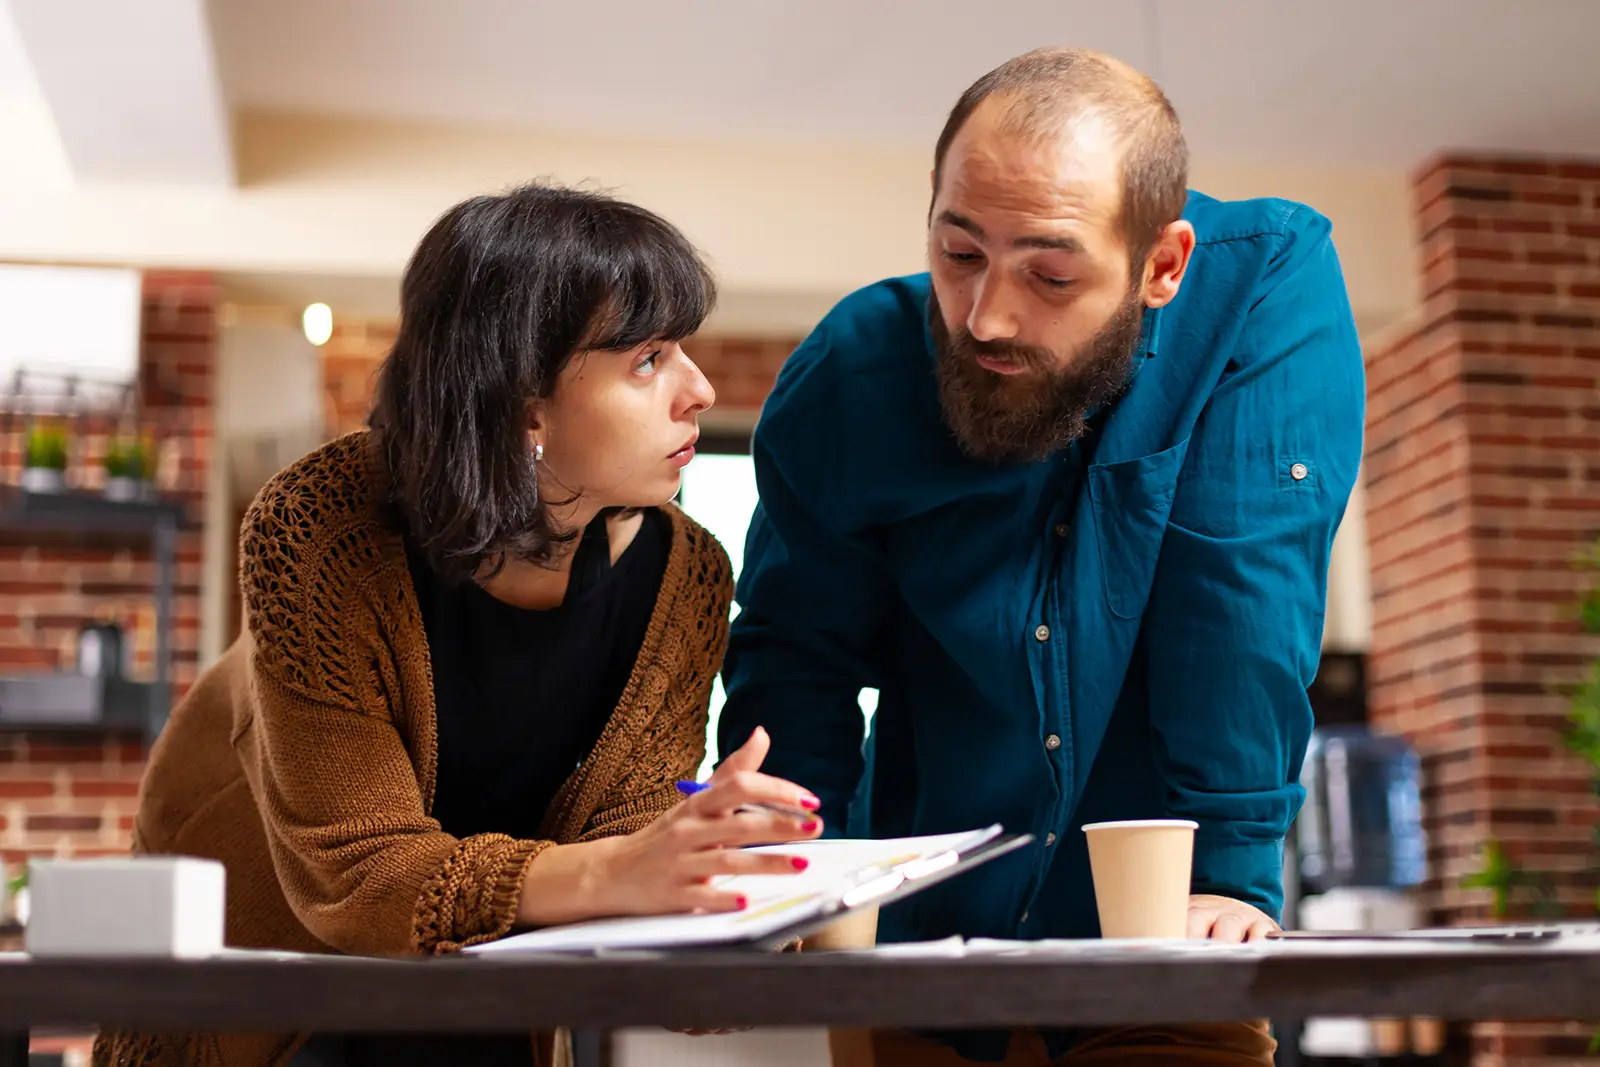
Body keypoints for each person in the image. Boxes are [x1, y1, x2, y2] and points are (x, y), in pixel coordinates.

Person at [719, 47, 1365, 1066]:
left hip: (1169, 930)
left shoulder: (1261, 288)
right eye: (958, 251)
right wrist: (785, 868)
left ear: (1162, 265)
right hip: (924, 943)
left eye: (1049, 272)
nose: (987, 316)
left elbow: (1238, 589)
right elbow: (796, 654)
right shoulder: (853, 371)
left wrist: (1234, 869)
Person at [93, 184, 822, 1067]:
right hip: (268, 990)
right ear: (523, 403)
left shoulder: (686, 576)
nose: (699, 389)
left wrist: (726, 907)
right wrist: (626, 873)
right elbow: (362, 880)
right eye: (648, 359)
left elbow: (618, 854)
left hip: (481, 998)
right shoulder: (320, 527)